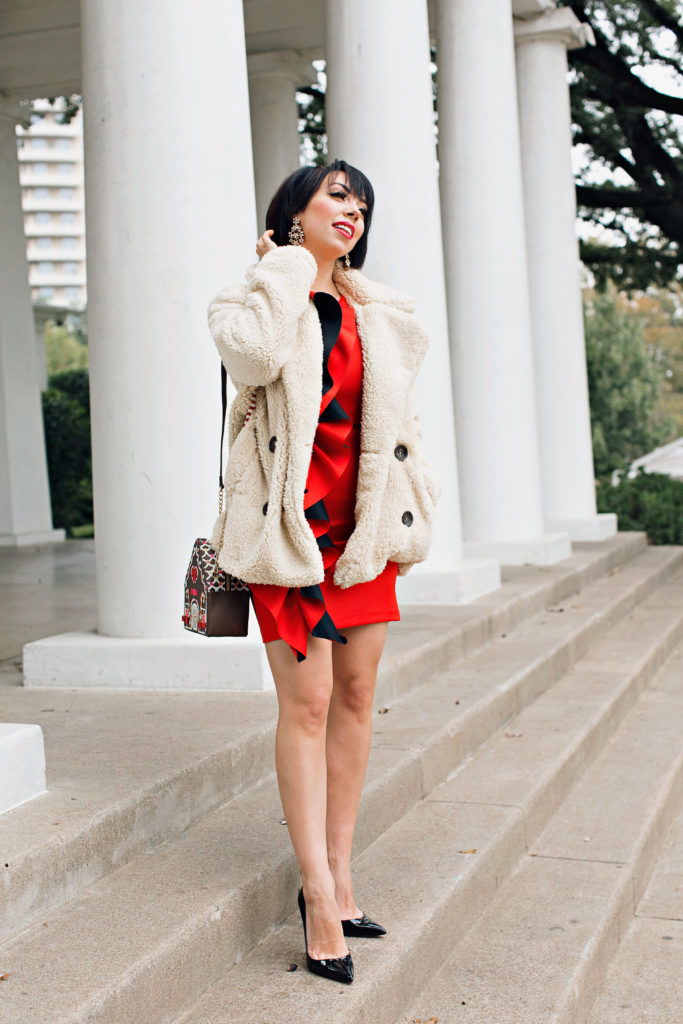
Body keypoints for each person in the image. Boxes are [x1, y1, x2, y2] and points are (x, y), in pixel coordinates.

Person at [207, 159, 439, 984]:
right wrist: (281, 266)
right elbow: (256, 358)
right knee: (305, 707)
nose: (354, 209)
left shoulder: (378, 313)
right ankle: (313, 894)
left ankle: (341, 876)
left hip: (362, 537)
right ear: (294, 210)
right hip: (288, 541)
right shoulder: (256, 300)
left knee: (353, 702)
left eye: (362, 201)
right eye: (338, 195)